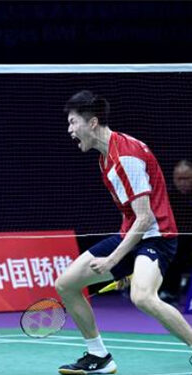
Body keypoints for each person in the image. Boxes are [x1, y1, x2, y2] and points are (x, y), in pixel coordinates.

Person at [55, 90, 192, 374]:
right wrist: (125, 258)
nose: (69, 130)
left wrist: (113, 261)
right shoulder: (106, 157)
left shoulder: (125, 157)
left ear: (92, 123)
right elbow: (130, 215)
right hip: (131, 235)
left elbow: (145, 219)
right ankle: (99, 356)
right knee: (65, 284)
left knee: (142, 296)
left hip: (156, 236)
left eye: (72, 122)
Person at [159, 160, 192, 305]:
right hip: (176, 241)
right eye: (179, 179)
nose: (183, 182)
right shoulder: (167, 196)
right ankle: (169, 292)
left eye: (187, 178)